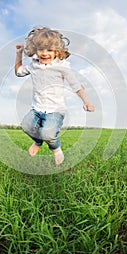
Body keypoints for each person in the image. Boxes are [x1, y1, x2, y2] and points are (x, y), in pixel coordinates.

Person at [15, 27, 95, 165]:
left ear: (57, 51)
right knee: (26, 126)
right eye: (41, 49)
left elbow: (76, 85)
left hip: (55, 110)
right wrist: (19, 53)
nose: (45, 53)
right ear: (35, 50)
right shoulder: (34, 65)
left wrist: (86, 101)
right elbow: (18, 72)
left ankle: (56, 148)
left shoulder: (63, 67)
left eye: (50, 50)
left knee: (48, 134)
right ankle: (37, 142)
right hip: (37, 108)